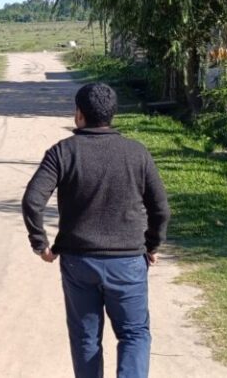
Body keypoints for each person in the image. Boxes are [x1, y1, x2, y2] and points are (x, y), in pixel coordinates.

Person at [22, 82, 170, 378]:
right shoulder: (136, 153)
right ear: (112, 114)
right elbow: (160, 209)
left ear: (79, 114)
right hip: (128, 262)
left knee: (86, 338)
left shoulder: (62, 153)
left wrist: (41, 244)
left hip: (78, 263)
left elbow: (31, 201)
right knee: (134, 334)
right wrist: (151, 245)